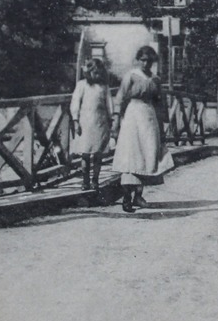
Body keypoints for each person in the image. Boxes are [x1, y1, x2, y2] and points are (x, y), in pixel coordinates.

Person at [111, 45, 168, 213]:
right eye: (143, 60)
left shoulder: (156, 79)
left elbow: (160, 103)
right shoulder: (131, 76)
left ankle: (139, 195)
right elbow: (120, 97)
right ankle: (127, 198)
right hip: (133, 116)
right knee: (132, 155)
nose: (146, 64)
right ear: (138, 60)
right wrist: (116, 119)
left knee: (148, 154)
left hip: (149, 117)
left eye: (149, 61)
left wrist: (163, 123)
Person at [68, 57, 113, 193]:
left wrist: (112, 120)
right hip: (85, 123)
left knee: (98, 154)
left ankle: (95, 180)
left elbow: (109, 105)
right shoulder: (82, 85)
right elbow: (75, 103)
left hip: (100, 123)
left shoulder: (104, 87)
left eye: (99, 73)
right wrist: (76, 121)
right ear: (89, 72)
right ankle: (85, 180)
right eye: (94, 73)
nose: (97, 75)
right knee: (85, 154)